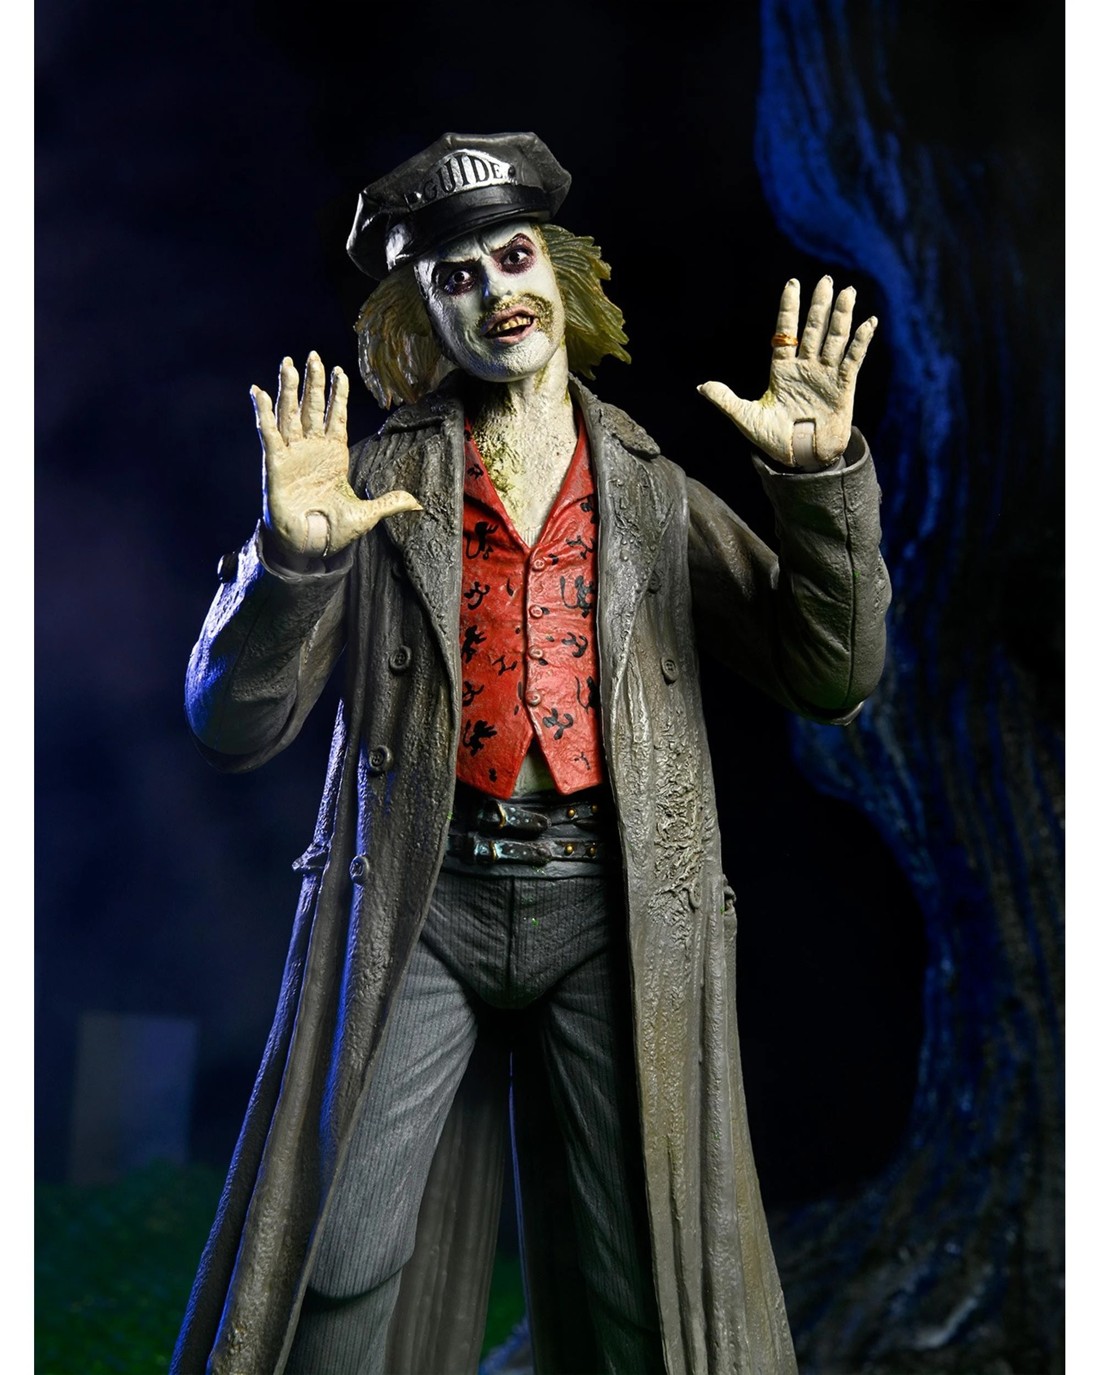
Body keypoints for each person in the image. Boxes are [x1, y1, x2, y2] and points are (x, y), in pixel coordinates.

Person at [172, 131, 890, 1375]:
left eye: (512, 257)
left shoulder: (648, 488)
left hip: (610, 903)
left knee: (641, 1268)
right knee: (338, 1249)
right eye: (453, 277)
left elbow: (830, 674)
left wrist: (820, 485)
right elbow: (233, 722)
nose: (494, 291)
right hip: (424, 899)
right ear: (421, 316)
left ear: (562, 274)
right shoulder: (374, 483)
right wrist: (293, 562)